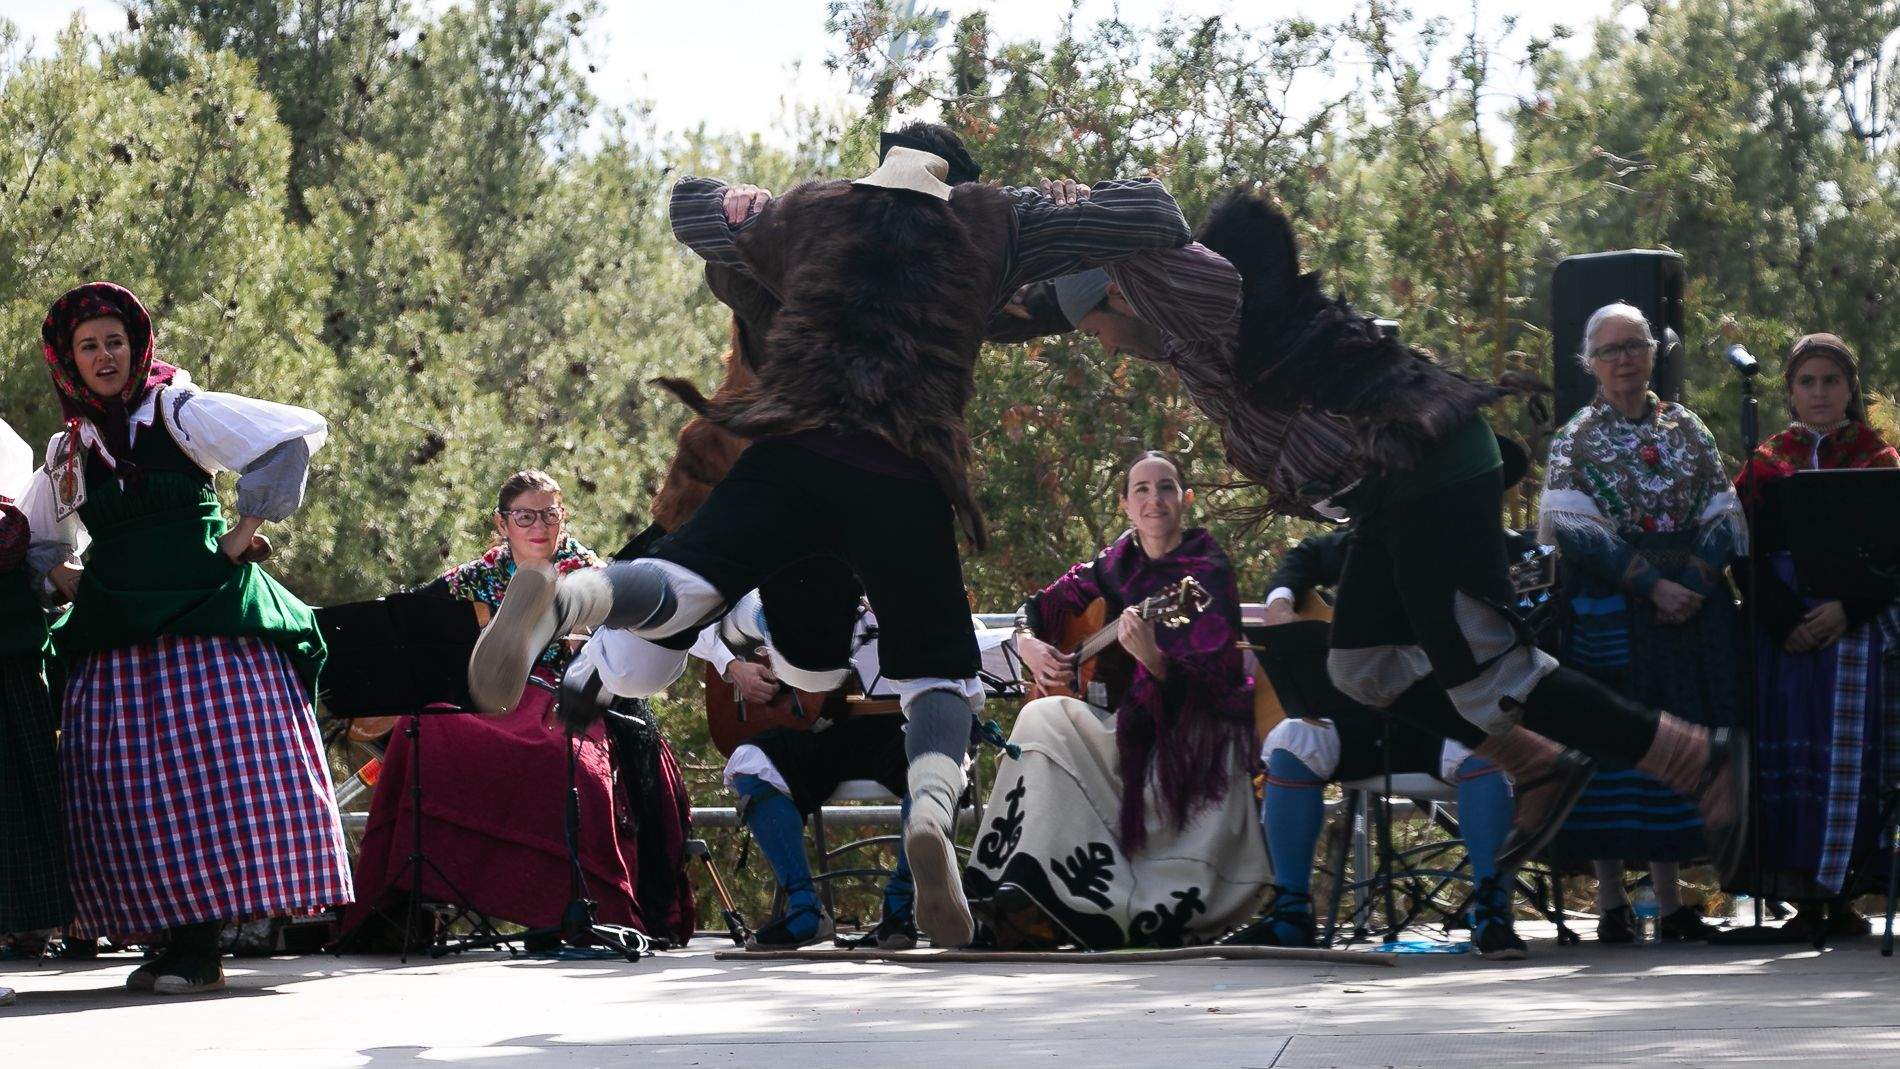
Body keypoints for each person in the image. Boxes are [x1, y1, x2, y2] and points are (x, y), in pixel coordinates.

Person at [469, 122, 1194, 947]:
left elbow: (691, 210)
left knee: (686, 586)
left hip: (789, 454)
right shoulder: (993, 220)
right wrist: (1085, 206)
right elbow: (1154, 213)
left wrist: (728, 204)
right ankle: (927, 814)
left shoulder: (814, 209)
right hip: (903, 470)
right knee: (940, 677)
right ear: (953, 183)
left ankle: (567, 596)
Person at [1028, 189, 1748, 883]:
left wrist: (1071, 217)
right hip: (1388, 489)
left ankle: (1694, 758)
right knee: (1361, 667)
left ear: (1120, 295)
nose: (1111, 351)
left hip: (1433, 467)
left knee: (1488, 671)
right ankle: (1535, 761)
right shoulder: (1188, 341)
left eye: (1099, 332)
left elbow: (1181, 210)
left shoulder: (1207, 298)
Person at [18, 282, 349, 995]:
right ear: (69, 361)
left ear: (137, 347)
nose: (105, 355)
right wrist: (81, 586)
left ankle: (201, 943)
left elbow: (290, 433)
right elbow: (38, 536)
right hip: (118, 639)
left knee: (212, 778)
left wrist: (240, 536)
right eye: (89, 346)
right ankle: (174, 937)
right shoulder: (69, 446)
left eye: (115, 341)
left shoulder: (178, 409)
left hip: (207, 622)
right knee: (129, 789)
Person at [342, 470, 694, 946]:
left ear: (563, 518)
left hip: (567, 695)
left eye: (549, 515)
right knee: (416, 730)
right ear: (502, 522)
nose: (539, 526)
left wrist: (588, 644)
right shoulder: (473, 577)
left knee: (570, 765)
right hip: (490, 700)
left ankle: (583, 906)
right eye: (525, 516)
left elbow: (634, 652)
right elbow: (410, 627)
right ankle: (404, 901)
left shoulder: (594, 574)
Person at [967, 452, 1268, 949]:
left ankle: (1097, 903)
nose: (1155, 499)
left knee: (1052, 721)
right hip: (1122, 725)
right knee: (1040, 717)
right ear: (1126, 504)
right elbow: (1041, 607)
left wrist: (1154, 660)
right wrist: (1027, 641)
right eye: (1142, 490)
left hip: (1189, 734)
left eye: (1166, 487)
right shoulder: (1114, 563)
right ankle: (1017, 889)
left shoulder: (1205, 570)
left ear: (1185, 499)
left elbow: (1215, 681)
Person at [1536, 304, 1744, 943]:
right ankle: (1609, 906)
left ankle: (1671, 900)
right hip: (1613, 609)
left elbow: (1722, 513)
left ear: (1654, 352)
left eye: (1634, 345)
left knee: (1680, 745)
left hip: (1689, 609)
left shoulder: (1687, 430)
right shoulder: (1576, 437)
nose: (1624, 358)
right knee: (1615, 745)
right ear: (1590, 364)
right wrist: (1653, 586)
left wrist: (1695, 584)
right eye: (1609, 350)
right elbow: (1570, 527)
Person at [1228, 526, 1529, 959]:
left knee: (1486, 746)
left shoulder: (1490, 541)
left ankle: (1492, 911)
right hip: (1359, 724)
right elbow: (1307, 556)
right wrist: (1279, 602)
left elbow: (1535, 580)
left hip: (1442, 721)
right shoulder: (1370, 535)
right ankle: (1292, 913)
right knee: (1292, 739)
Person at [581, 609, 918, 951]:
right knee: (751, 763)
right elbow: (692, 614)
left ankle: (902, 904)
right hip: (813, 727)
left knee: (933, 768)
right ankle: (804, 908)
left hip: (895, 725)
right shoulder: (770, 568)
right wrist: (732, 665)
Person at [1731, 333, 1900, 938]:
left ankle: (1848, 894)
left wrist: (1847, 609)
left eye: (1831, 380)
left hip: (1850, 633)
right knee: (1791, 752)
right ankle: (1801, 898)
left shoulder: (1879, 460)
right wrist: (1779, 619)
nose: (1820, 392)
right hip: (1787, 639)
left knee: (1849, 757)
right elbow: (1738, 551)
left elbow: (1894, 556)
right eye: (1808, 382)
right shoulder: (1765, 463)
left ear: (1851, 389)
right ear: (1790, 393)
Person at [1, 416, 70, 1000]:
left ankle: (30, 926)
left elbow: (48, 582)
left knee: (21, 804)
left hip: (17, 672)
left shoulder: (12, 521)